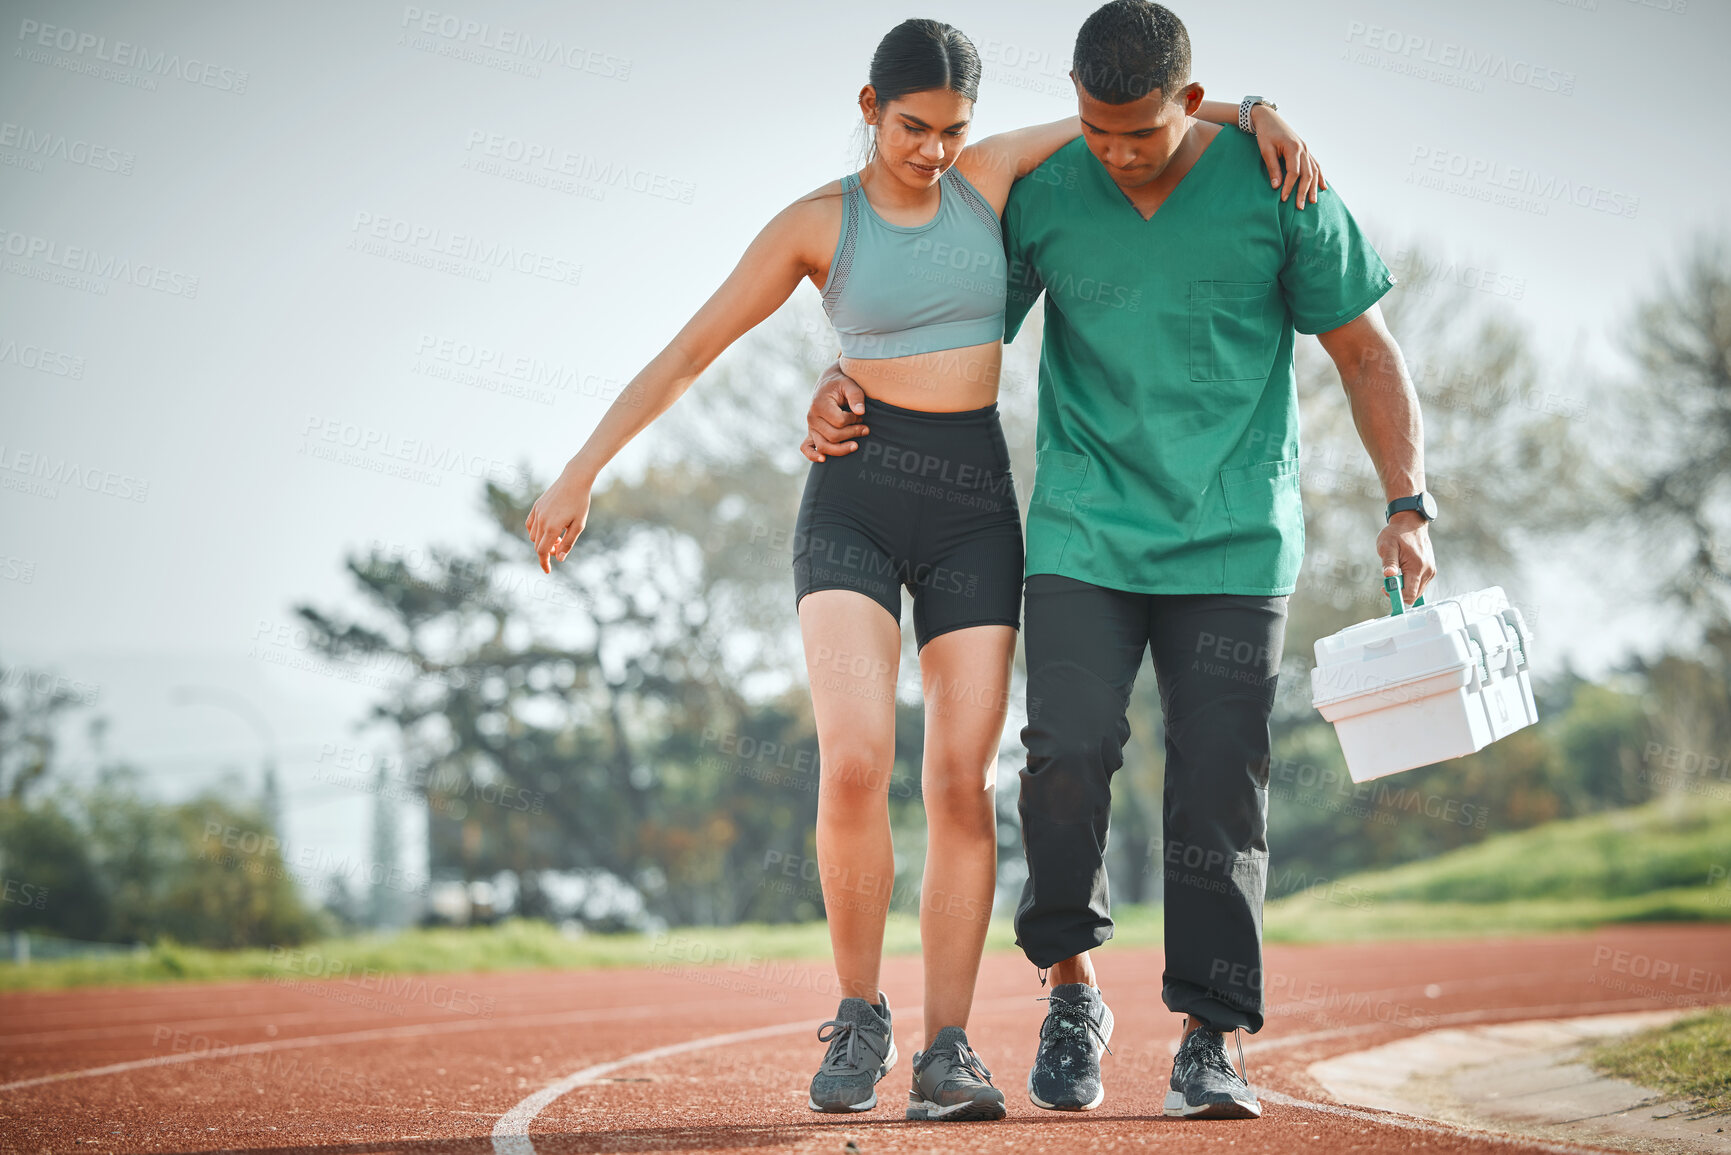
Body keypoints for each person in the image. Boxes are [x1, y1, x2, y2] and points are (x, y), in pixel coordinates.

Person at [528, 16, 1324, 1123]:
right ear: (868, 108)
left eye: (952, 129)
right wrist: (581, 473)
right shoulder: (818, 224)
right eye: (913, 127)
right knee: (855, 763)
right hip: (855, 497)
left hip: (973, 513)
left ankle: (949, 1051)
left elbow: (1151, 109)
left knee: (963, 779)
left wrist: (1259, 108)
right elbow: (690, 350)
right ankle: (860, 1014)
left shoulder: (992, 178)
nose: (933, 150)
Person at [805, 0, 1438, 1124]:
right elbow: (940, 317)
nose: (1115, 155)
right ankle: (1070, 989)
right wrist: (847, 376)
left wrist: (1408, 504)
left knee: (1217, 789)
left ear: (1189, 106)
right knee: (1063, 758)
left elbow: (1364, 350)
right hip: (1084, 534)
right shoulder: (1048, 194)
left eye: (1138, 137)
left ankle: (1210, 1039)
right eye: (1095, 133)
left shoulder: (1279, 185)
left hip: (1235, 540)